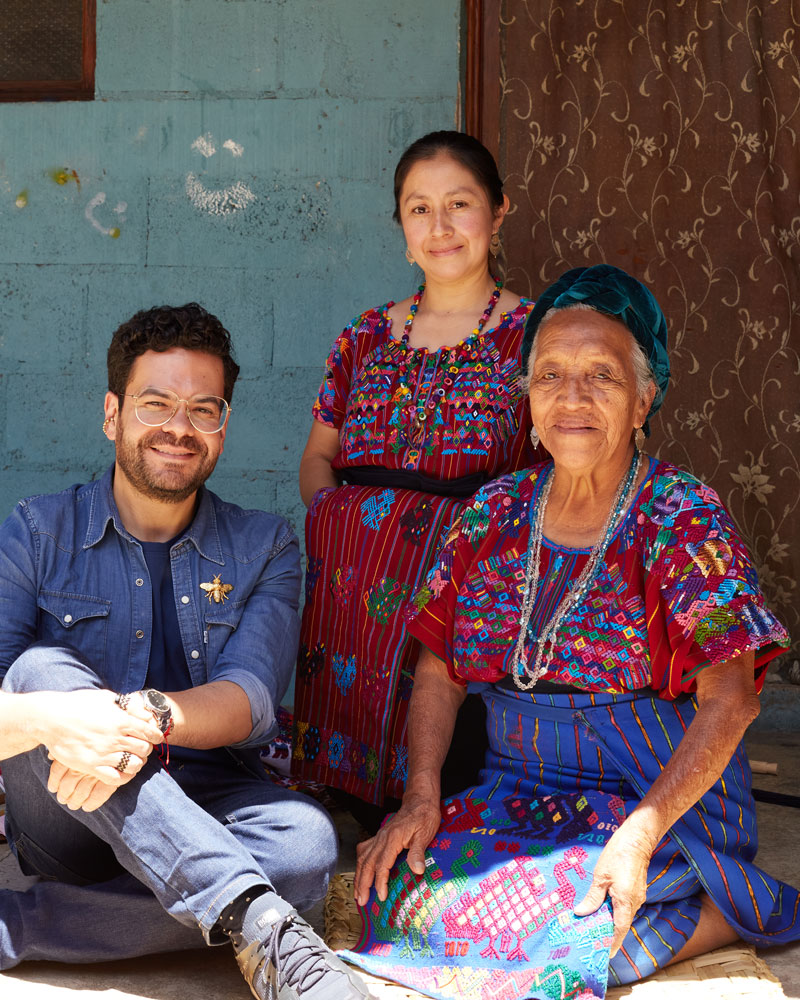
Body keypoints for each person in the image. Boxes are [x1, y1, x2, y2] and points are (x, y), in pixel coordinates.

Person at [350, 265, 799, 1000]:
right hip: (517, 789)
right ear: (527, 400)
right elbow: (439, 668)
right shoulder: (492, 512)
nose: (573, 397)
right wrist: (422, 796)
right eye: (551, 375)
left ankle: (722, 901)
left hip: (650, 791)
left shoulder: (682, 516)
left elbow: (733, 700)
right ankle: (663, 899)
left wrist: (643, 833)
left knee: (562, 940)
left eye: (603, 376)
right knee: (397, 898)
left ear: (643, 400)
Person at [0, 304, 370, 1000]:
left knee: (305, 845)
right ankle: (264, 925)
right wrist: (67, 721)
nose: (179, 427)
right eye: (155, 404)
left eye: (204, 409)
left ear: (222, 429)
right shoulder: (37, 530)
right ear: (112, 415)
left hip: (210, 798)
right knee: (39, 675)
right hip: (66, 811)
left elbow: (252, 698)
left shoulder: (265, 545)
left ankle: (22, 924)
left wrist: (144, 717)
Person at [293, 131, 541, 820]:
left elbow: (549, 480)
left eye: (459, 204)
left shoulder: (535, 337)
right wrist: (342, 519)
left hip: (461, 593)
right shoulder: (364, 337)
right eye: (418, 208)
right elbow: (318, 458)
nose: (440, 227)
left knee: (450, 788)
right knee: (341, 809)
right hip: (350, 591)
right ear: (402, 228)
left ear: (498, 213)